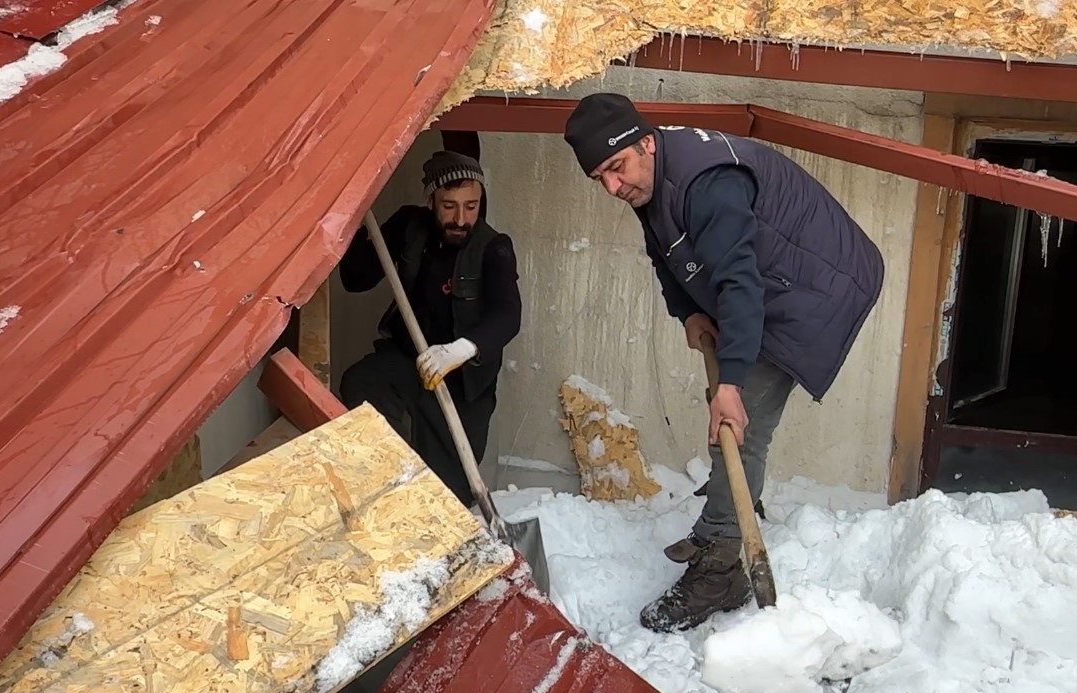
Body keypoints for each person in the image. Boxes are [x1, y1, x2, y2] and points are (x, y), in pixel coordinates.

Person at [563, 93, 885, 632]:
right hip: (768, 279)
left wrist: (731, 382)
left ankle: (720, 569)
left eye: (617, 168)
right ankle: (729, 511)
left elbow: (740, 284)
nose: (613, 187)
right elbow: (663, 251)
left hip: (815, 286)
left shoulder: (707, 182)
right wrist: (689, 311)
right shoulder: (651, 176)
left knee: (738, 427)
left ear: (645, 143)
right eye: (601, 178)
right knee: (730, 421)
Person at [338, 151, 522, 508]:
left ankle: (432, 509)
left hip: (463, 378)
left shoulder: (493, 248)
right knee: (362, 382)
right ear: (431, 201)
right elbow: (355, 279)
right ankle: (389, 482)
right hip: (410, 359)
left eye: (471, 206)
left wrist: (462, 349)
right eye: (449, 206)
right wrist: (352, 217)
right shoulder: (410, 226)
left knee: (450, 493)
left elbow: (508, 314)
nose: (461, 219)